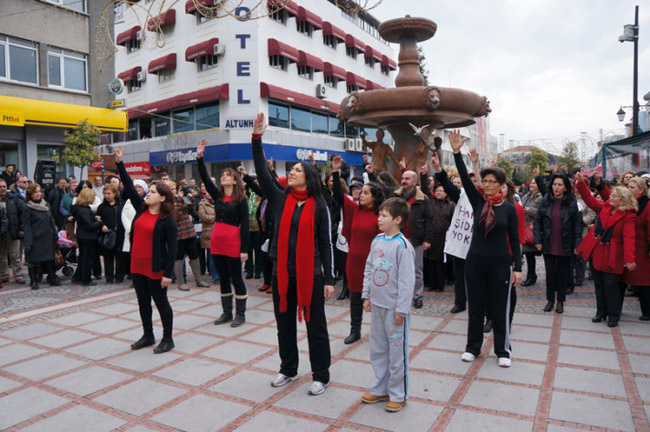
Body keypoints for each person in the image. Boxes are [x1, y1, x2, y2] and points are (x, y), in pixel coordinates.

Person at [251, 113, 334, 396]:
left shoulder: (319, 207)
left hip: (311, 275)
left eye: (298, 170)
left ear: (308, 178)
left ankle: (321, 375)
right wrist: (256, 138)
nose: (294, 172)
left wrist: (329, 279)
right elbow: (263, 173)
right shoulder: (280, 199)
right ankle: (288, 369)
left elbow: (326, 245)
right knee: (284, 326)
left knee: (316, 328)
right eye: (293, 169)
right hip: (282, 275)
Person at [450, 130, 522, 368]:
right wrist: (457, 152)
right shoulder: (478, 200)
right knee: (476, 307)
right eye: (486, 181)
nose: (488, 184)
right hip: (475, 263)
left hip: (501, 265)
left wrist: (518, 268)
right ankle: (473, 348)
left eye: (493, 182)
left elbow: (515, 239)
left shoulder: (510, 209)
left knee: (500, 309)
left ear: (501, 186)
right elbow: (462, 174)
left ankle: (503, 350)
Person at [114, 146, 178, 354]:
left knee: (161, 303)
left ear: (162, 198)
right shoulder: (141, 209)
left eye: (152, 192)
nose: (147, 194)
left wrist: (168, 273)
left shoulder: (167, 220)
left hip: (155, 267)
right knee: (143, 303)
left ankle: (168, 339)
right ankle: (148, 335)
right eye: (148, 191)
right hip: (138, 265)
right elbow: (131, 188)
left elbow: (173, 249)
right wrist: (120, 163)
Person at [360, 197, 415, 413]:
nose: (379, 219)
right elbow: (369, 268)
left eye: (384, 215)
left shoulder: (403, 246)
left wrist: (402, 309)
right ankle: (380, 388)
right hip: (377, 305)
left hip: (395, 310)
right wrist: (366, 295)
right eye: (379, 214)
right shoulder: (377, 241)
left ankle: (398, 394)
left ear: (398, 219)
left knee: (396, 354)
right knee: (378, 349)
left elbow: (407, 280)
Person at [331, 156, 385, 344]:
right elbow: (339, 195)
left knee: (378, 298)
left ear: (375, 197)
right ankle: (355, 330)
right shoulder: (354, 209)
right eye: (360, 192)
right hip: (354, 262)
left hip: (375, 264)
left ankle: (380, 332)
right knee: (355, 297)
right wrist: (336, 172)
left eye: (365, 193)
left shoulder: (380, 215)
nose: (360, 195)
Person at [195, 144, 249, 326]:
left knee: (236, 279)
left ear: (235, 181)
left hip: (233, 242)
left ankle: (240, 314)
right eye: (223, 175)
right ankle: (227, 312)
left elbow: (245, 226)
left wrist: (244, 250)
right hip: (216, 242)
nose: (223, 176)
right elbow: (203, 177)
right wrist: (200, 158)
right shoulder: (217, 196)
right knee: (223, 278)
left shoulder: (241, 200)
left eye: (228, 175)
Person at [575, 171, 637, 327]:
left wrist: (629, 259)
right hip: (598, 252)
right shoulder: (605, 207)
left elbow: (629, 238)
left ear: (623, 200)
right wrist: (582, 183)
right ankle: (600, 311)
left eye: (615, 197)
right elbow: (589, 200)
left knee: (611, 286)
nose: (611, 198)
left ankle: (613, 314)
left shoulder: (629, 216)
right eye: (612, 196)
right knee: (599, 284)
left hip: (613, 255)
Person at [598, 177, 649, 321]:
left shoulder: (647, 205)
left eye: (632, 187)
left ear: (641, 189)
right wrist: (600, 184)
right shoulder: (623, 203)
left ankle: (647, 311)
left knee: (643, 282)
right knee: (618, 280)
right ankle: (615, 310)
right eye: (628, 186)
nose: (629, 188)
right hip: (624, 248)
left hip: (641, 249)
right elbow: (608, 199)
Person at [533, 174, 582, 314]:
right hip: (548, 242)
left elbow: (577, 227)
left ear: (566, 187)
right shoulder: (546, 200)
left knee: (562, 274)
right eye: (555, 184)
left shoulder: (572, 203)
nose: (556, 187)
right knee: (550, 274)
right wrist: (537, 240)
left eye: (560, 185)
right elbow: (537, 221)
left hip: (565, 243)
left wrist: (577, 245)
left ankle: (560, 301)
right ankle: (550, 300)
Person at [392, 170, 433, 309]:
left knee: (416, 270)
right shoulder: (396, 196)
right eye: (403, 178)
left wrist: (427, 239)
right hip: (397, 238)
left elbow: (429, 220)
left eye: (407, 178)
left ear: (415, 181)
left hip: (416, 239)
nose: (403, 181)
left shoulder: (423, 198)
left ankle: (417, 297)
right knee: (396, 269)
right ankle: (398, 295)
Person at [22, 183, 60, 290]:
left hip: (47, 237)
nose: (38, 194)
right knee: (33, 261)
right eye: (35, 192)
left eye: (39, 192)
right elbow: (27, 226)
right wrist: (28, 242)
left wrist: (55, 234)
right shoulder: (27, 207)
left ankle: (51, 277)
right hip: (35, 238)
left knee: (49, 260)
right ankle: (34, 281)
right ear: (30, 194)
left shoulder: (46, 204)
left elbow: (51, 221)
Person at [172, 185, 209, 291]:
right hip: (179, 234)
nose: (175, 192)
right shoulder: (168, 202)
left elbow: (192, 211)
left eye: (176, 189)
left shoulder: (182, 199)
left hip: (189, 231)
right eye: (173, 190)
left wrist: (190, 199)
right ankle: (181, 282)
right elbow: (176, 214)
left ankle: (199, 280)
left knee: (194, 256)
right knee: (179, 258)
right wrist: (179, 199)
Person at [71, 189, 104, 286]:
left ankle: (78, 276)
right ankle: (86, 279)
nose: (94, 199)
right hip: (88, 237)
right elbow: (89, 226)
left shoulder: (80, 209)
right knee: (87, 259)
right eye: (92, 197)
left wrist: (94, 218)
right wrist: (99, 222)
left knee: (82, 257)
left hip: (82, 236)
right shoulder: (84, 211)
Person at [97, 184, 127, 283]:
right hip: (108, 234)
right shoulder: (102, 207)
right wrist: (102, 225)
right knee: (108, 256)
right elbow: (98, 218)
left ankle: (119, 275)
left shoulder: (121, 204)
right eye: (105, 194)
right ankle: (109, 276)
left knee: (119, 256)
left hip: (120, 233)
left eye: (109, 193)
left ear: (114, 193)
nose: (107, 196)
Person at [121, 179, 148, 279]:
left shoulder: (147, 200)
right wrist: (129, 227)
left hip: (141, 231)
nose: (137, 189)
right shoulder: (128, 201)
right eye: (135, 187)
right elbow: (123, 214)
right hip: (130, 231)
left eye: (139, 187)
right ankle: (133, 275)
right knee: (131, 255)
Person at [0, 179, 24, 284]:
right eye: (0, 187)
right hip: (0, 232)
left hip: (12, 231)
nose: (2, 189)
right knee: (1, 256)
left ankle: (18, 275)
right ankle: (4, 275)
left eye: (4, 186)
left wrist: (22, 228)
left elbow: (22, 214)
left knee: (15, 255)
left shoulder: (14, 198)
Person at [520, 177, 543, 286]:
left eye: (534, 183)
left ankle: (531, 277)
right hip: (525, 228)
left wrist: (531, 210)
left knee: (530, 254)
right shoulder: (527, 195)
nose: (532, 185)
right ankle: (531, 276)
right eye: (531, 183)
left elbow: (542, 211)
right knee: (528, 255)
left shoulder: (540, 197)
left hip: (533, 229)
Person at [198, 183, 220, 283]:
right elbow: (203, 217)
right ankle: (215, 276)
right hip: (208, 232)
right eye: (208, 192)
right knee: (211, 255)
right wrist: (216, 218)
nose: (210, 194)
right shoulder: (202, 204)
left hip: (219, 232)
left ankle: (220, 274)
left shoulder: (219, 202)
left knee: (219, 256)